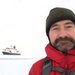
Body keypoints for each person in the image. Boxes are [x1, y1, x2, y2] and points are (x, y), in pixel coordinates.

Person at [28, 7, 75, 75]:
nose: (62, 34)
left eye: (68, 27)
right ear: (48, 35)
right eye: (55, 28)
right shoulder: (37, 69)